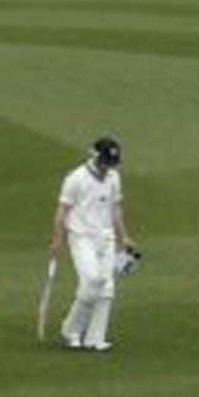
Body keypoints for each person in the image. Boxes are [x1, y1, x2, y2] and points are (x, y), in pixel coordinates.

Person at [45, 136, 139, 352]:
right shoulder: (76, 178)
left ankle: (95, 338)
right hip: (81, 236)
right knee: (92, 281)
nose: (109, 167)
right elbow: (62, 210)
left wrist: (124, 236)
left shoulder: (114, 177)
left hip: (106, 238)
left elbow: (116, 208)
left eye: (112, 162)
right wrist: (56, 240)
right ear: (95, 157)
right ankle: (71, 330)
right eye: (106, 161)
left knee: (107, 289)